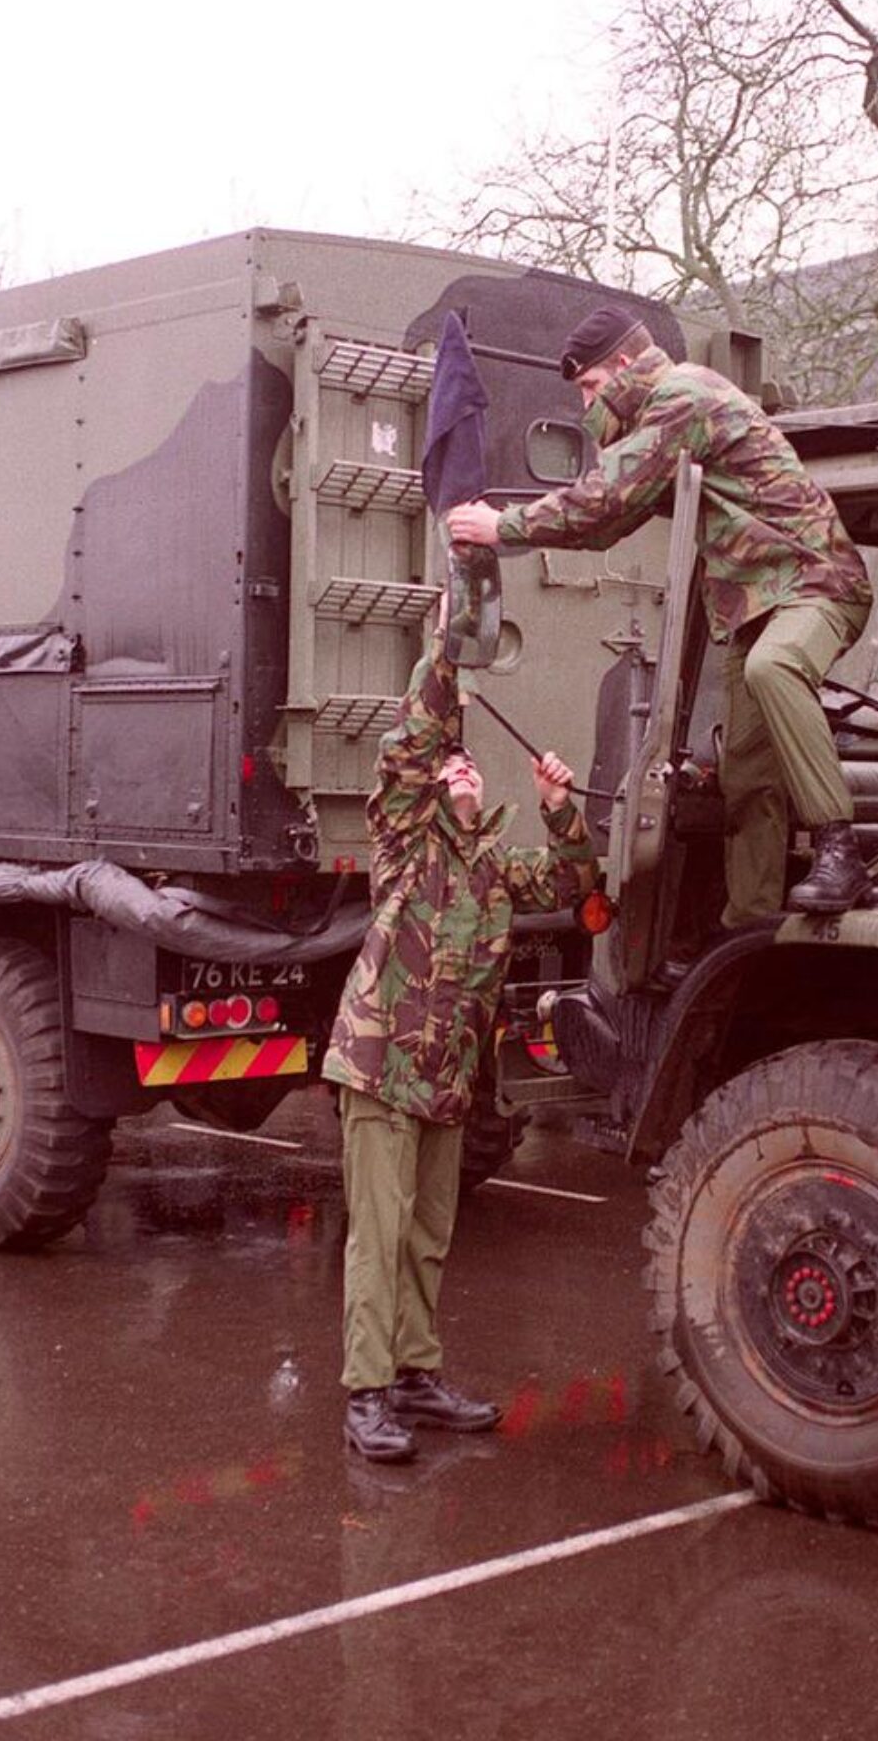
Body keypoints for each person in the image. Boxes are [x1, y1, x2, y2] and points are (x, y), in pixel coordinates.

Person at [446, 305, 874, 921]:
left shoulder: (683, 396)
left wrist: (503, 524)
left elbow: (604, 497)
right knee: (749, 778)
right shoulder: (664, 414)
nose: (589, 405)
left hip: (816, 583)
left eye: (591, 387)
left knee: (773, 669)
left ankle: (840, 846)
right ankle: (749, 925)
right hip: (754, 607)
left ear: (623, 365)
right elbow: (608, 523)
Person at [322, 603, 598, 1463]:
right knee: (381, 1230)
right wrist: (451, 648)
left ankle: (413, 1374)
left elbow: (577, 884)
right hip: (378, 1069)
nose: (463, 768)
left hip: (445, 1080)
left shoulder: (492, 866)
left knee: (428, 1234)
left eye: (469, 763)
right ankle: (367, 1394)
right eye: (451, 765)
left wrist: (559, 807)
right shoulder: (407, 842)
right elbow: (414, 739)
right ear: (433, 790)